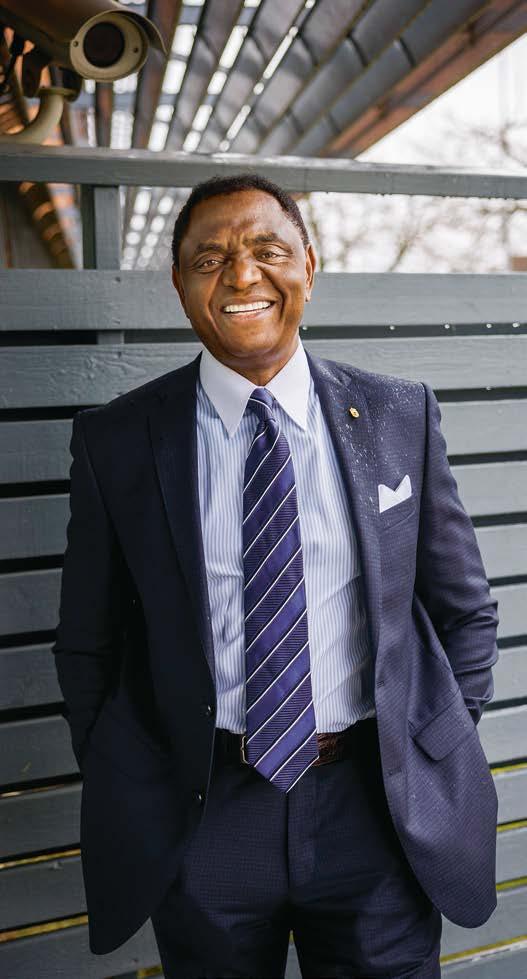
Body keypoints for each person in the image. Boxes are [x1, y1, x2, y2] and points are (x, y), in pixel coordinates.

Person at [52, 173, 499, 979]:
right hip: (204, 816)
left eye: (267, 250)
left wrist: (428, 746)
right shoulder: (118, 441)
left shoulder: (396, 414)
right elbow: (88, 639)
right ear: (180, 283)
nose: (241, 275)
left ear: (309, 267)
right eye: (209, 258)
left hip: (375, 806)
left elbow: (462, 608)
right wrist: (131, 772)